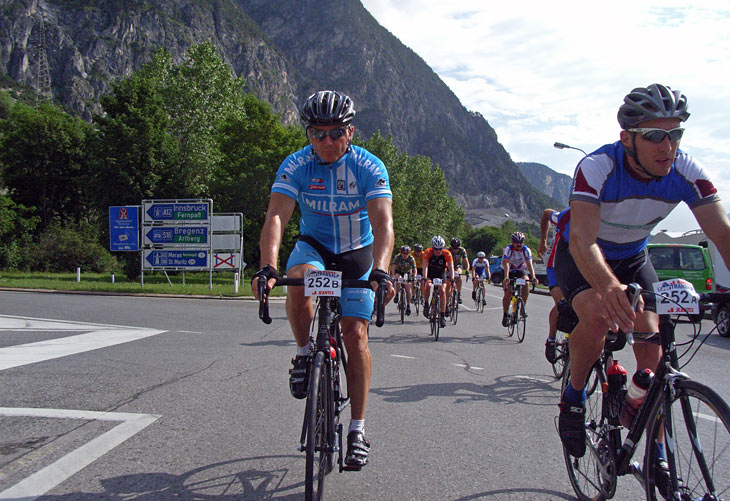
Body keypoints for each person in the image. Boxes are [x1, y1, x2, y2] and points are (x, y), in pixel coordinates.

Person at [554, 84, 730, 495]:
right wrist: (608, 287)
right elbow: (581, 239)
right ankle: (573, 398)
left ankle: (649, 432)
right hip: (584, 253)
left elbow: (723, 234)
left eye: (675, 134)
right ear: (627, 138)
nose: (667, 146)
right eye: (654, 135)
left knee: (653, 347)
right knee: (599, 314)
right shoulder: (598, 167)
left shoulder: (687, 171)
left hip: (634, 256)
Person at [251, 90, 395, 470]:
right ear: (309, 134)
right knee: (298, 280)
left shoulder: (368, 166)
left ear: (350, 132)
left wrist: (380, 270)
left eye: (335, 133)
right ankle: (303, 353)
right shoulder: (297, 164)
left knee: (355, 335)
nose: (327, 141)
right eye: (318, 133)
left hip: (356, 254)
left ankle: (358, 430)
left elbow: (383, 224)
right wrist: (267, 267)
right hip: (314, 248)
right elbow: (276, 216)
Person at [538, 208, 568, 363]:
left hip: (579, 267)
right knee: (562, 303)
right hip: (555, 266)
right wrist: (543, 240)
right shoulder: (565, 217)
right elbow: (546, 213)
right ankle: (551, 339)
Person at [501, 232, 537, 327]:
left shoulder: (526, 250)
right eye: (516, 242)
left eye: (521, 242)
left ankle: (522, 308)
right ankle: (505, 314)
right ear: (512, 242)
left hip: (520, 270)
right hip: (509, 270)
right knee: (508, 292)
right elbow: (506, 264)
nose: (519, 244)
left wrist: (533, 277)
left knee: (526, 283)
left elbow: (529, 264)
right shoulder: (508, 249)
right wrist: (506, 277)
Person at [421, 235, 455, 328]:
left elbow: (451, 267)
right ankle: (426, 304)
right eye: (436, 249)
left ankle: (442, 316)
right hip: (430, 273)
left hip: (441, 273)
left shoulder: (447, 253)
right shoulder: (428, 252)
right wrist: (424, 277)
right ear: (432, 248)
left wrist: (452, 278)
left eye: (440, 249)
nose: (438, 251)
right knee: (428, 286)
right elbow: (425, 266)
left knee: (442, 291)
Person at [391, 245, 416, 315]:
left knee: (407, 289)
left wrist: (414, 276)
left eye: (406, 253)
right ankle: (396, 294)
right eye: (403, 253)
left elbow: (414, 269)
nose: (405, 255)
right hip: (399, 271)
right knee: (398, 279)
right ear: (401, 253)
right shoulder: (397, 257)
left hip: (407, 272)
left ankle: (408, 306)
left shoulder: (411, 258)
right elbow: (393, 266)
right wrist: (393, 275)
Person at [448, 237, 469, 304]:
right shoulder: (448, 250)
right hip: (449, 265)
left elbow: (466, 262)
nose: (456, 250)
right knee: (448, 280)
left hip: (458, 265)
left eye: (457, 248)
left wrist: (467, 270)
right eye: (454, 248)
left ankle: (459, 294)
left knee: (459, 275)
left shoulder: (462, 250)